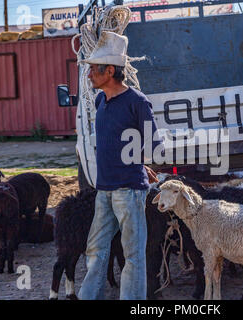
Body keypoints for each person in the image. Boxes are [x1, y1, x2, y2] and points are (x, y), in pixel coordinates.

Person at [78, 31, 161, 300]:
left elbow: (153, 146)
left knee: (133, 255)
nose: (89, 75)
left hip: (129, 192)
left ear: (110, 70)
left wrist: (137, 164)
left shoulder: (137, 102)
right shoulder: (101, 100)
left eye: (93, 70)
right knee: (95, 250)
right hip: (105, 190)